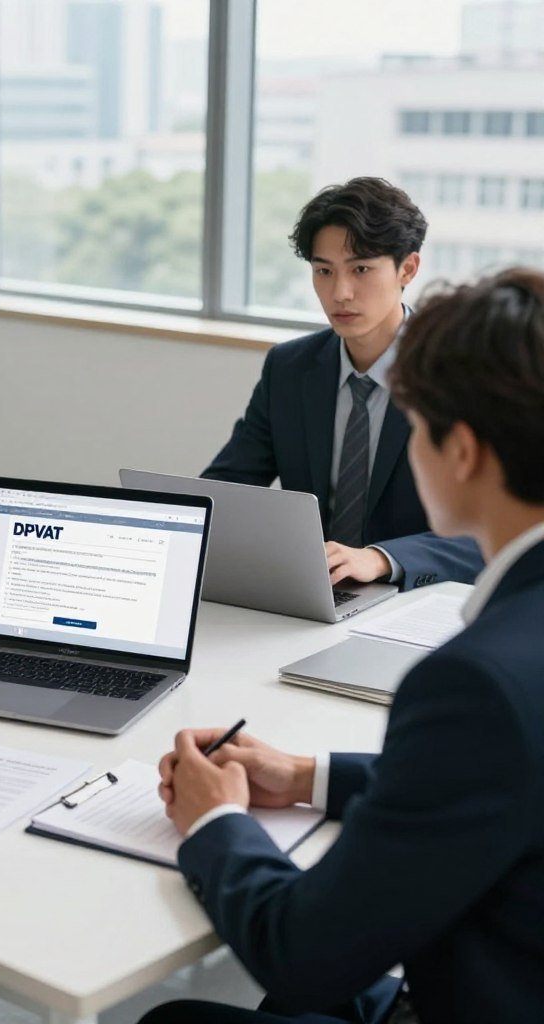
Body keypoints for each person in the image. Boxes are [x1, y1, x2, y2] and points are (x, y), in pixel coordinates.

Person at [147, 268, 544, 1023]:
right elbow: (494, 776)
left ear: (460, 451)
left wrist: (214, 819)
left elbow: (300, 952)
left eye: (416, 422)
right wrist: (302, 774)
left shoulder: (477, 682)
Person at [203, 177, 482, 591]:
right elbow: (226, 491)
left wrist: (381, 559)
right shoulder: (290, 368)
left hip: (414, 600)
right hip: (314, 597)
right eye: (324, 271)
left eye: (361, 269)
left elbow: (499, 528)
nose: (341, 292)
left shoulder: (461, 374)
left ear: (407, 268)